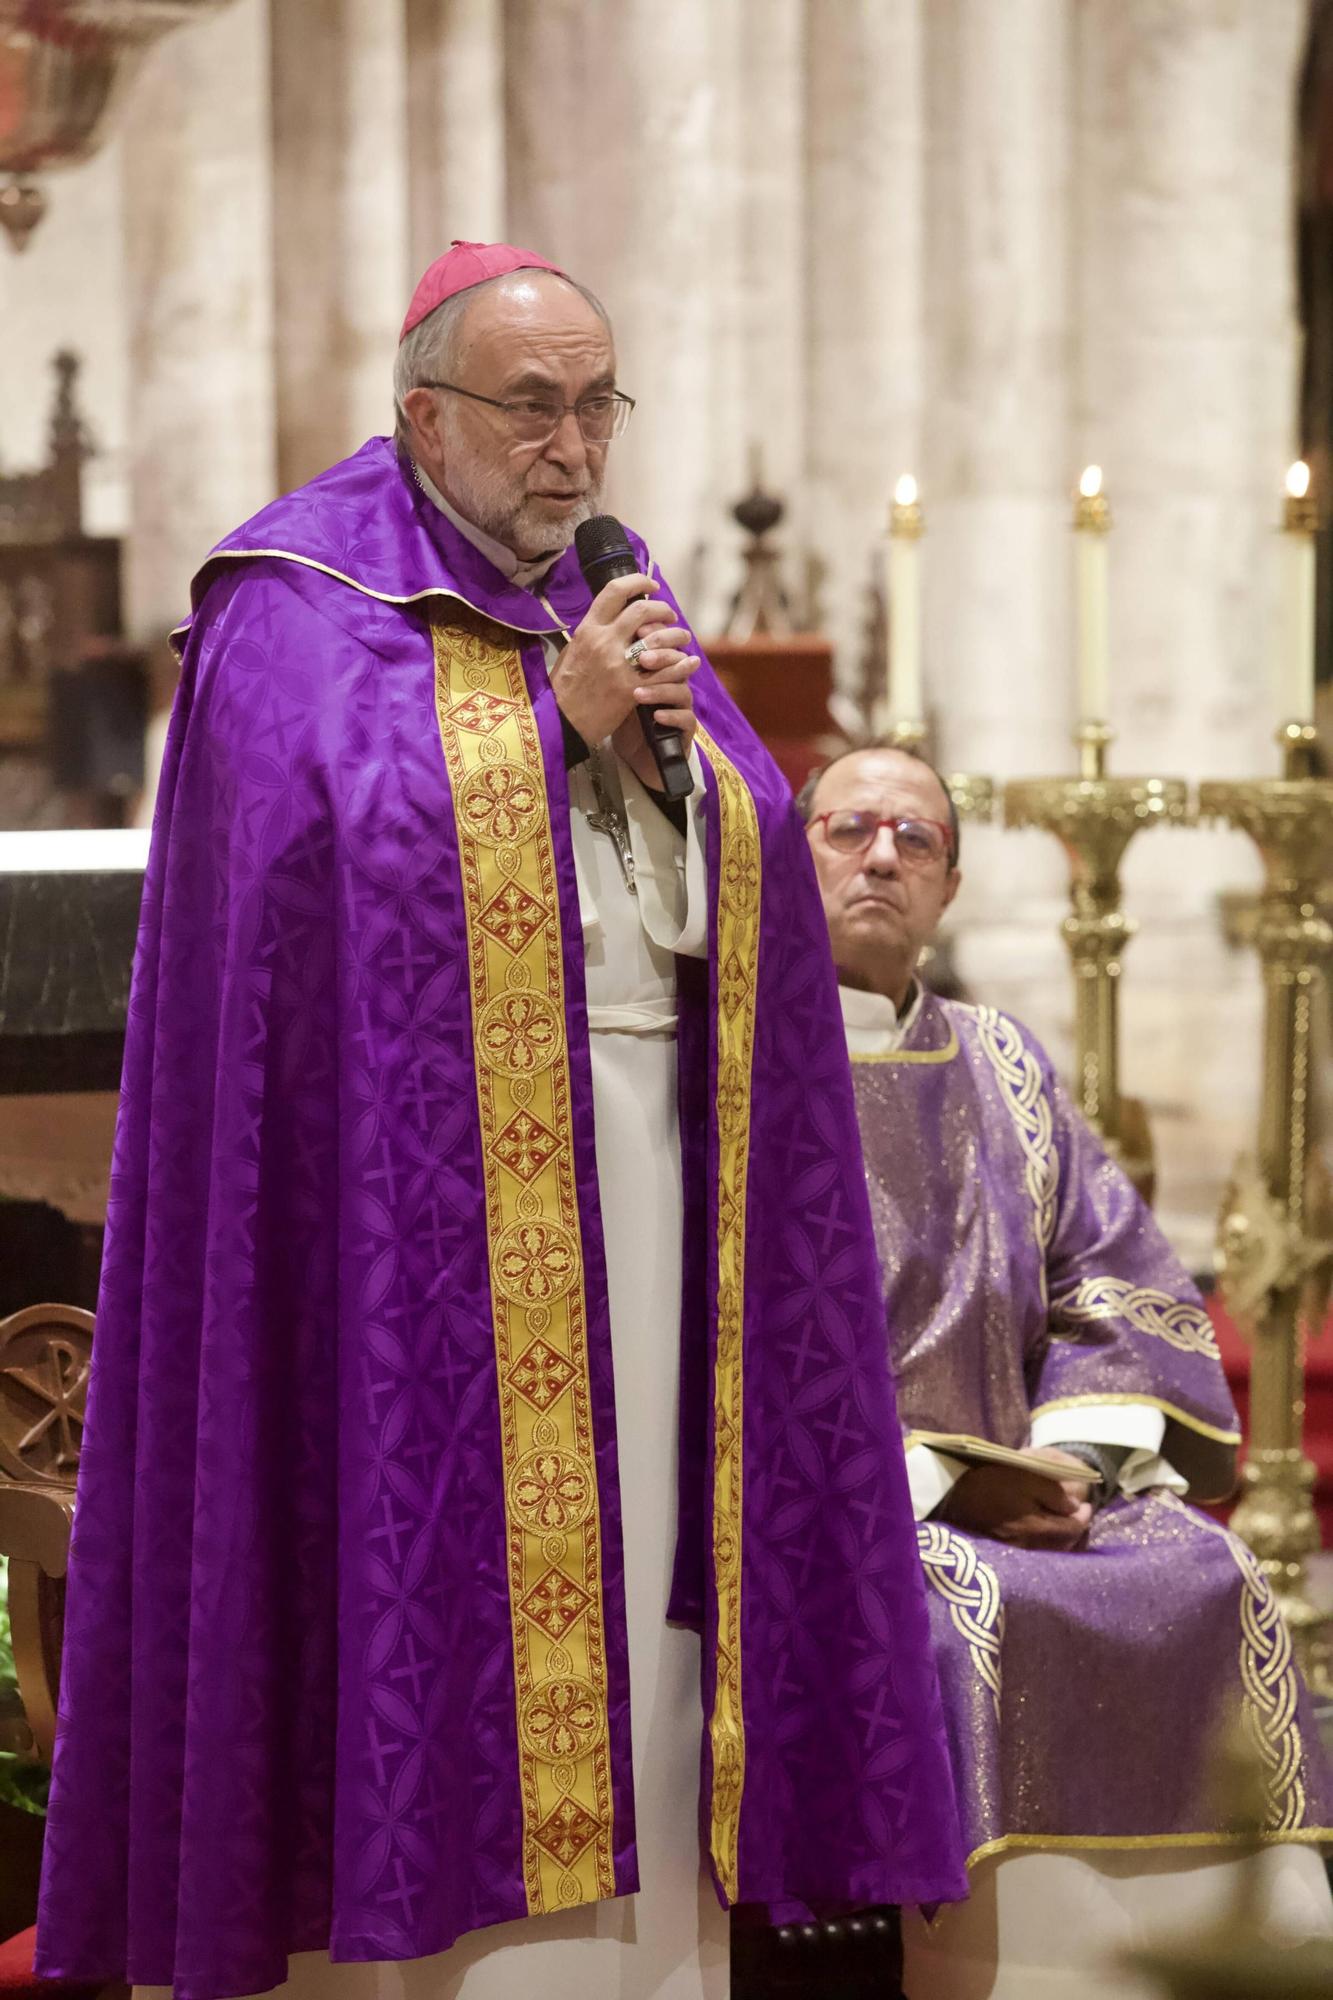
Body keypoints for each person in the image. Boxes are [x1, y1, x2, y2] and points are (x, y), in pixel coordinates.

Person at [34, 246, 965, 2000]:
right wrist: (559, 727)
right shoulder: (294, 602)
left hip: (648, 1170)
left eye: (593, 405)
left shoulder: (611, 587)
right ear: (422, 415)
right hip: (407, 1225)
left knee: (643, 1613)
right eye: (529, 407)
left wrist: (660, 776)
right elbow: (316, 890)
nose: (570, 449)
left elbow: (753, 839)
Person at [801, 742, 1333, 1999]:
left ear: (949, 884)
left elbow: (1110, 1275)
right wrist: (939, 1481)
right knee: (967, 1613)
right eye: (849, 828)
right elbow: (735, 1342)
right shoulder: (739, 1077)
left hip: (1040, 1476)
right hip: (844, 1501)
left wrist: (1078, 1458)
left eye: (915, 838)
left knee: (1211, 1567)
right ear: (790, 854)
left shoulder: (1003, 1065)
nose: (882, 854)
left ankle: (1228, 1960)